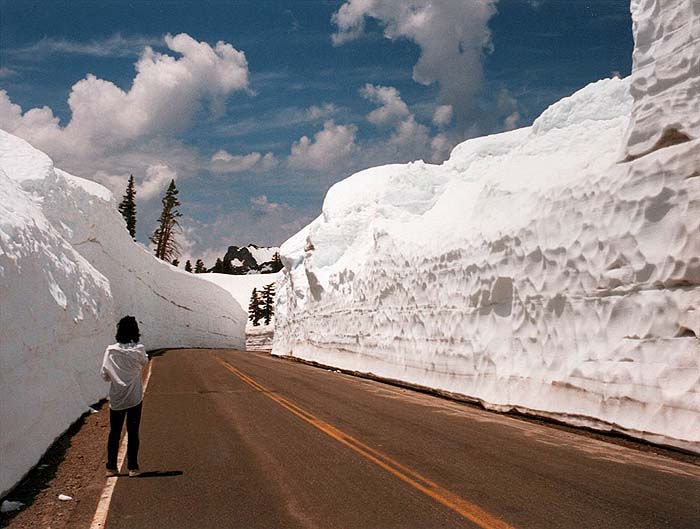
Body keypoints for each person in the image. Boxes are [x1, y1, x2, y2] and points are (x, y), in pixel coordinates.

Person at [101, 316, 149, 477]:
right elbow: (144, 362)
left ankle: (111, 467)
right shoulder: (139, 349)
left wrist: (116, 375)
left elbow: (104, 374)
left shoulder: (111, 351)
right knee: (133, 432)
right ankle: (133, 467)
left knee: (115, 432)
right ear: (136, 331)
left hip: (117, 398)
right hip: (134, 397)